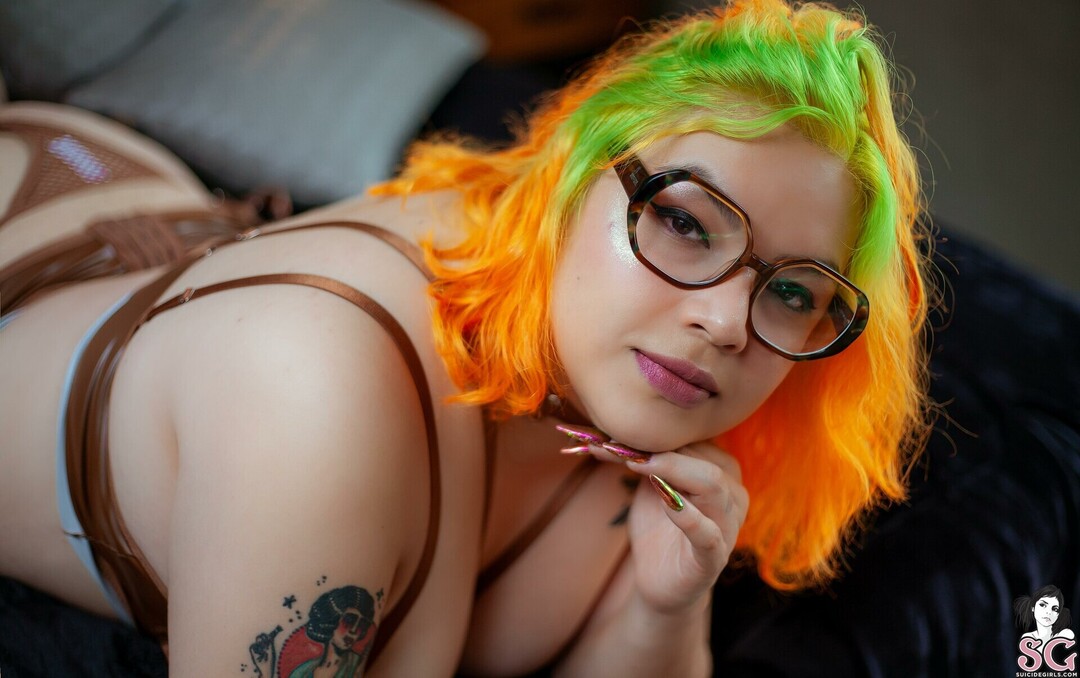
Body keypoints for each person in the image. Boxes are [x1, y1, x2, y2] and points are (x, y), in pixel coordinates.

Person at [0, 0, 932, 675]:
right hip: (42, 218)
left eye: (796, 293)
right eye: (686, 222)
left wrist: (665, 608)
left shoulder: (649, 393)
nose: (727, 324)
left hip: (178, 225)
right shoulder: (318, 392)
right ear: (569, 173)